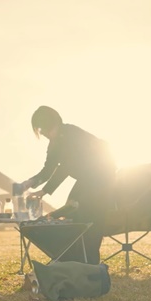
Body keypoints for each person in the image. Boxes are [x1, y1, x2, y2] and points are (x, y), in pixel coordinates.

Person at [17, 106, 116, 264]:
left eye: (43, 129)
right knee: (71, 214)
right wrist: (30, 182)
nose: (43, 134)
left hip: (102, 177)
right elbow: (48, 169)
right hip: (86, 180)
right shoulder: (54, 144)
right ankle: (74, 260)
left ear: (53, 123)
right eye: (40, 131)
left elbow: (66, 166)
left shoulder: (72, 134)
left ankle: (89, 263)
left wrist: (44, 191)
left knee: (88, 219)